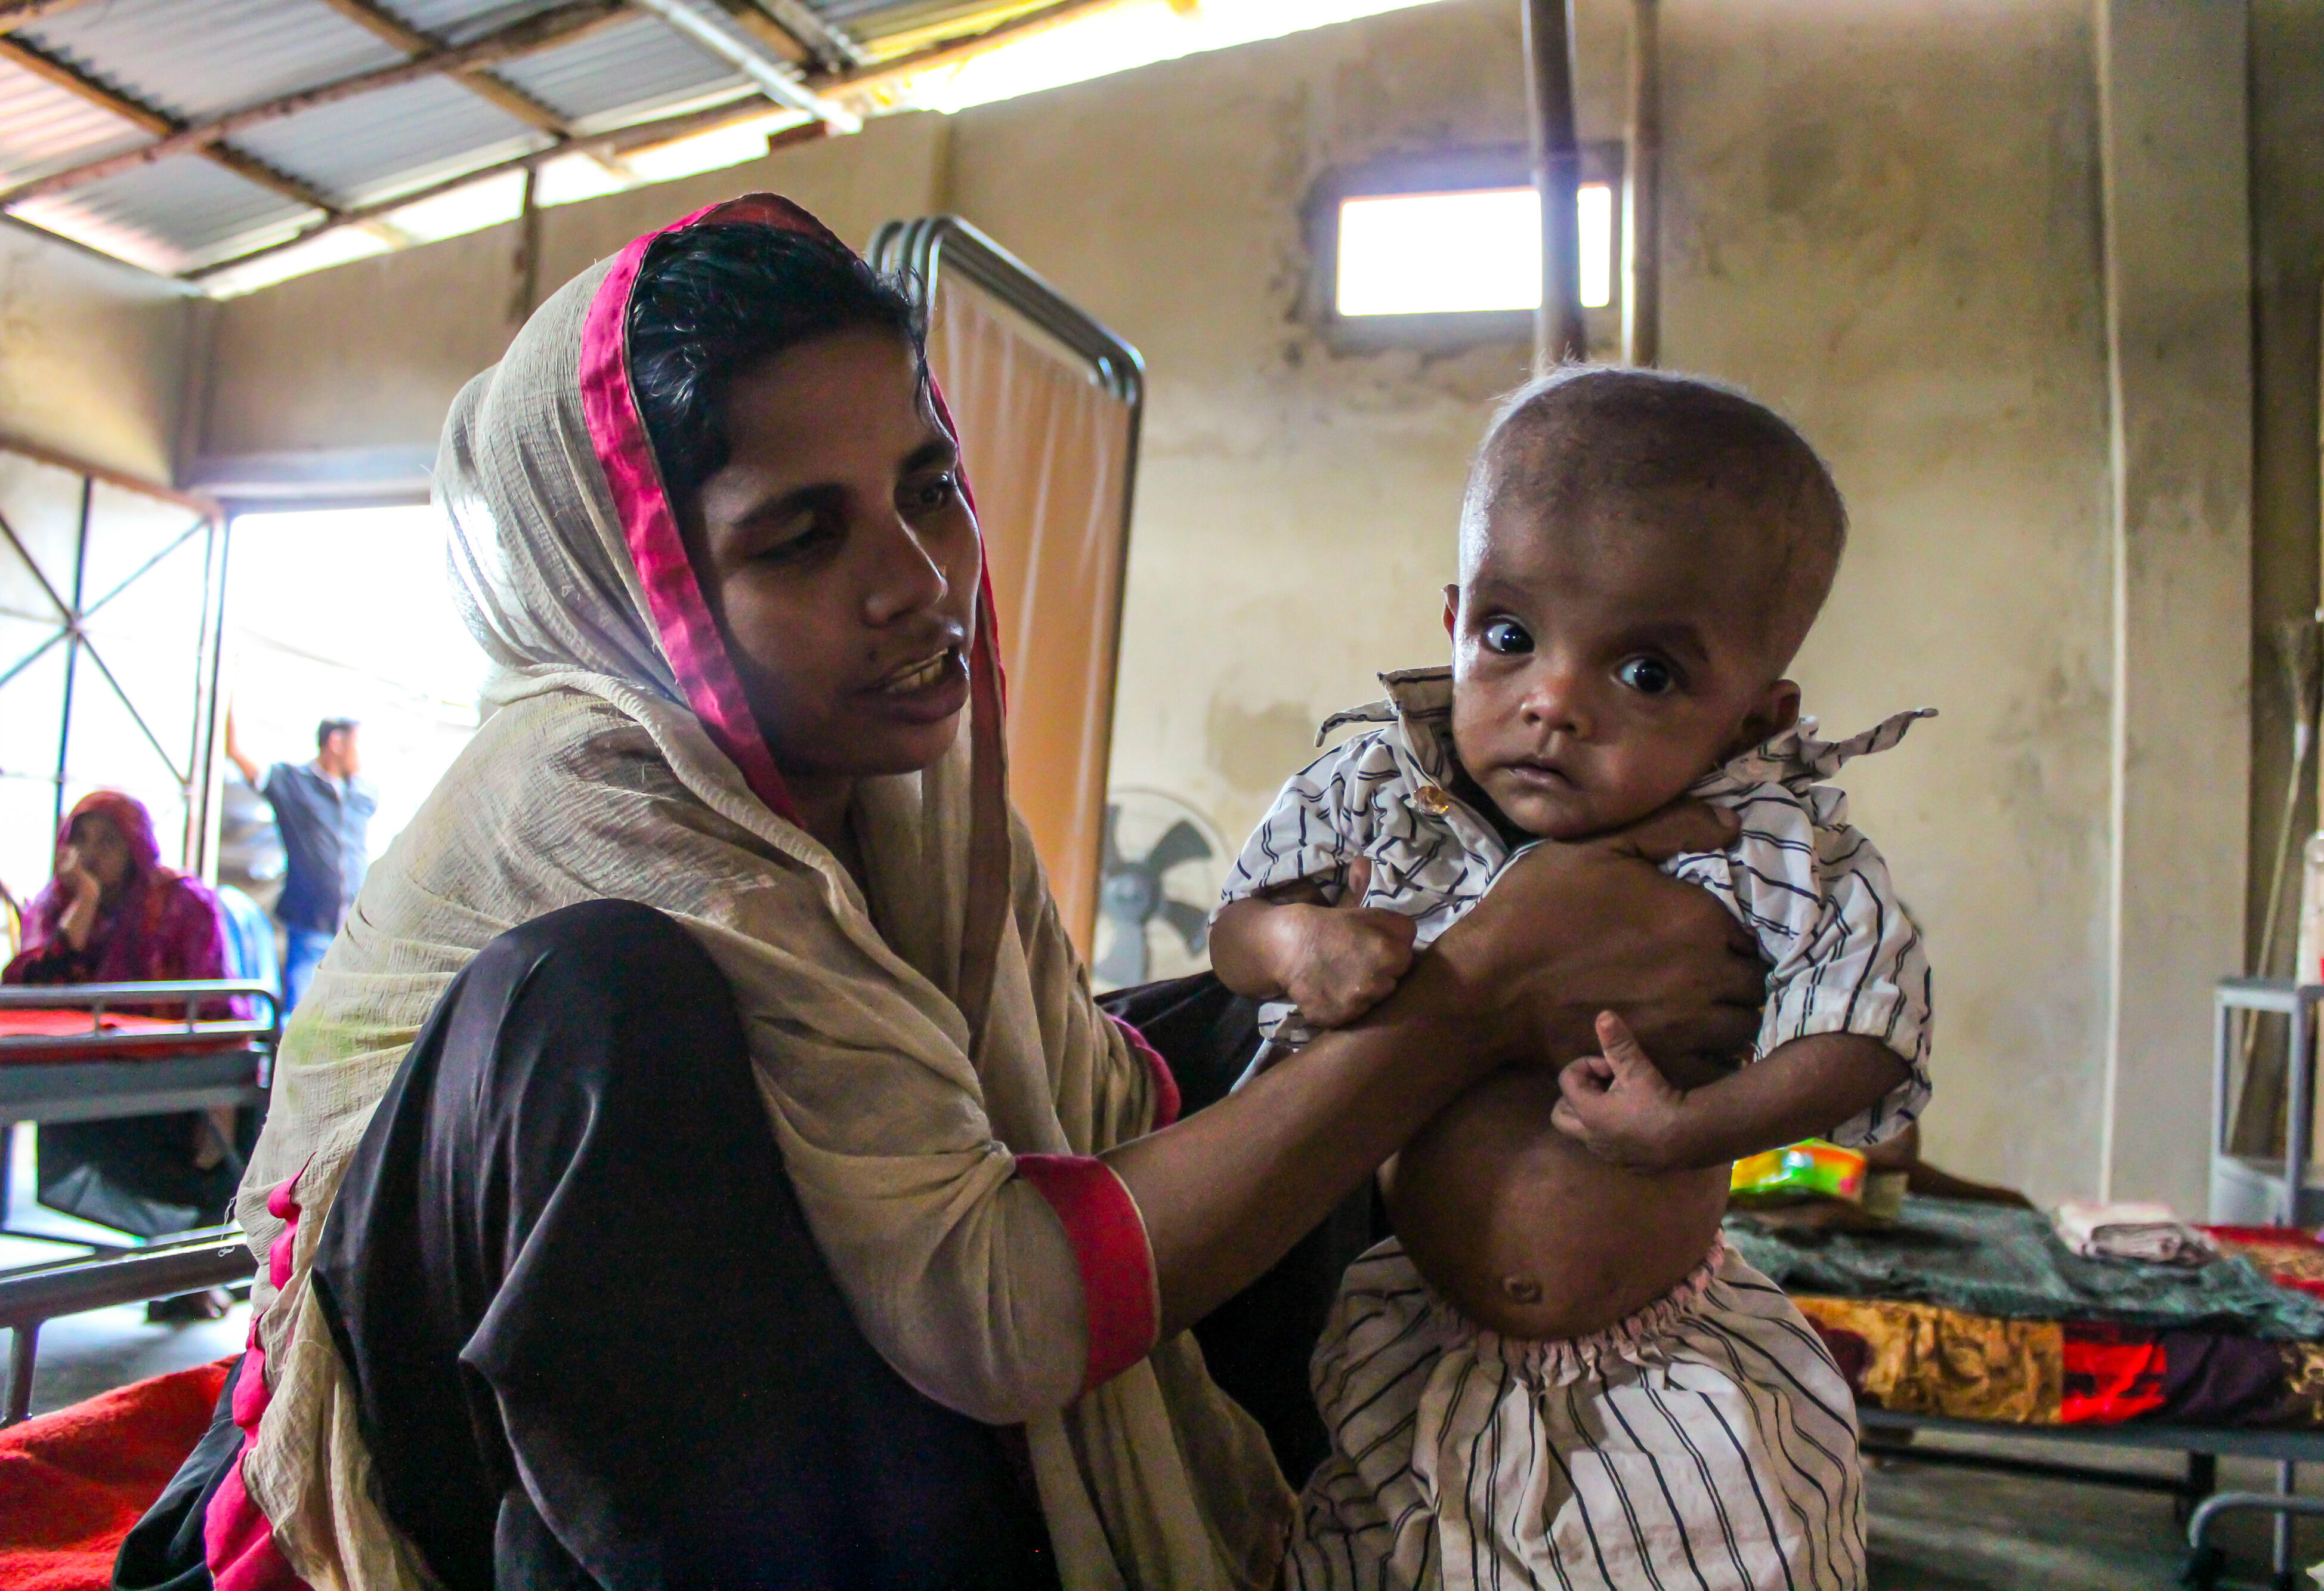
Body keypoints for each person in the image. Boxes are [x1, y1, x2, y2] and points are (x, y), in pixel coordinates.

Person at [122, 197, 1766, 1591]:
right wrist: (1464, 1002)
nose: (916, 584)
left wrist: (1392, 992)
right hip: (414, 1490)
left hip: (794, 1409)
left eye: (924, 486)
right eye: (796, 537)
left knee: (1268, 1017)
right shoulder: (590, 793)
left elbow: (1070, 1101)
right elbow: (994, 1305)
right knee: (595, 1008)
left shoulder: (895, 793)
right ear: (641, 586)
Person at [1210, 368, 1934, 1590]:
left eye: (1644, 673)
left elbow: (1871, 1022)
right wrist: (1298, 949)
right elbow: (1239, 921)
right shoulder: (1378, 793)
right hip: (1411, 1340)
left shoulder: (1761, 848)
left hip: (1655, 1375)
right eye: (1507, 635)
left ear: (1755, 718)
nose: (1551, 700)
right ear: (1451, 615)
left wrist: (1690, 1125)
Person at [4, 791, 243, 1245]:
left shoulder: (182, 903)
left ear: (135, 847)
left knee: (206, 1161)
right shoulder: (59, 904)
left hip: (164, 1070)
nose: (91, 856)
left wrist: (222, 1102)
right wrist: (87, 901)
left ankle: (186, 1272)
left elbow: (213, 1004)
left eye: (108, 842)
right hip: (83, 1069)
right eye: (81, 841)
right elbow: (31, 990)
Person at [222, 713, 374, 1009]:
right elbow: (236, 752)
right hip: (311, 929)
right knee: (300, 1014)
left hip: (354, 932)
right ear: (336, 742)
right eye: (359, 744)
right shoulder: (293, 783)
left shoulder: (361, 794)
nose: (363, 756)